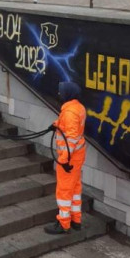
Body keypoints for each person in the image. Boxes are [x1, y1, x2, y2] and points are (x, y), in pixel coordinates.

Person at [44, 81, 86, 234]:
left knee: (64, 191)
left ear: (67, 94)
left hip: (69, 159)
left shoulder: (69, 112)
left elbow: (72, 138)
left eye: (61, 92)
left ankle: (63, 223)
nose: (59, 94)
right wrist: (56, 125)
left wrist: (65, 160)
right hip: (78, 156)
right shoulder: (77, 108)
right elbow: (69, 126)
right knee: (75, 188)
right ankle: (76, 220)